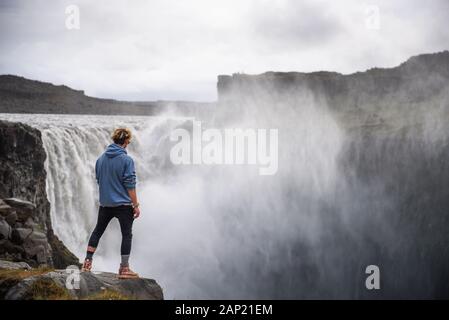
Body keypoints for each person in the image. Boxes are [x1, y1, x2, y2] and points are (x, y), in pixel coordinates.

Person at [81, 128, 141, 279]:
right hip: (123, 206)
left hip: (105, 204)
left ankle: (87, 263)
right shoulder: (127, 160)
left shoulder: (100, 159)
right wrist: (136, 205)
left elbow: (99, 180)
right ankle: (124, 268)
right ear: (126, 141)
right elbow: (130, 184)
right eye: (129, 141)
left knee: (97, 232)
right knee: (127, 235)